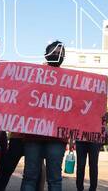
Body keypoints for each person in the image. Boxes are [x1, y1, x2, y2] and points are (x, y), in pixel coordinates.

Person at [20, 41, 68, 191]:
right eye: (54, 51)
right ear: (46, 55)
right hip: (33, 135)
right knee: (30, 177)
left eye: (60, 53)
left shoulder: (70, 80)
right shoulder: (33, 76)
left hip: (57, 137)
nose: (57, 54)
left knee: (54, 179)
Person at [74, 113, 108, 191]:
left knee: (92, 165)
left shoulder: (99, 101)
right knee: (81, 165)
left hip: (94, 137)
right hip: (81, 137)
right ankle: (80, 188)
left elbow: (104, 119)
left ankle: (92, 188)